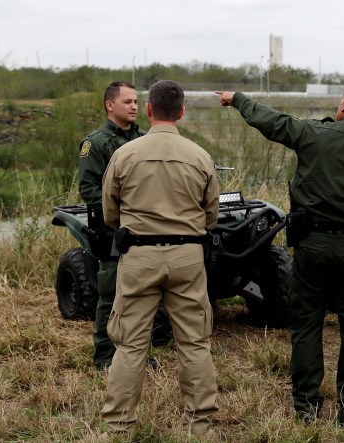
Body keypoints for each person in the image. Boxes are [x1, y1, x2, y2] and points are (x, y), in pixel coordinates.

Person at [215, 83, 344, 427]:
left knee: (306, 325)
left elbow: (272, 121)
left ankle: (306, 407)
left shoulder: (312, 133)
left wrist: (238, 99)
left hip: (312, 247)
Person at [100, 80, 220, 436]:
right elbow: (211, 215)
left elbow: (110, 212)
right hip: (187, 256)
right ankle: (201, 427)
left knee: (130, 345)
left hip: (138, 256)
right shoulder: (200, 156)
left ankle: (118, 428)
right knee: (195, 342)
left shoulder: (124, 154)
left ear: (149, 110)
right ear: (181, 112)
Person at [78, 81, 146, 370]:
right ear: (110, 105)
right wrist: (123, 214)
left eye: (136, 102)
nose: (134, 106)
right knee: (110, 295)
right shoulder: (96, 143)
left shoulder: (143, 139)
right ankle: (105, 356)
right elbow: (90, 190)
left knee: (142, 297)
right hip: (114, 231)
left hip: (145, 231)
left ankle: (138, 354)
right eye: (128, 101)